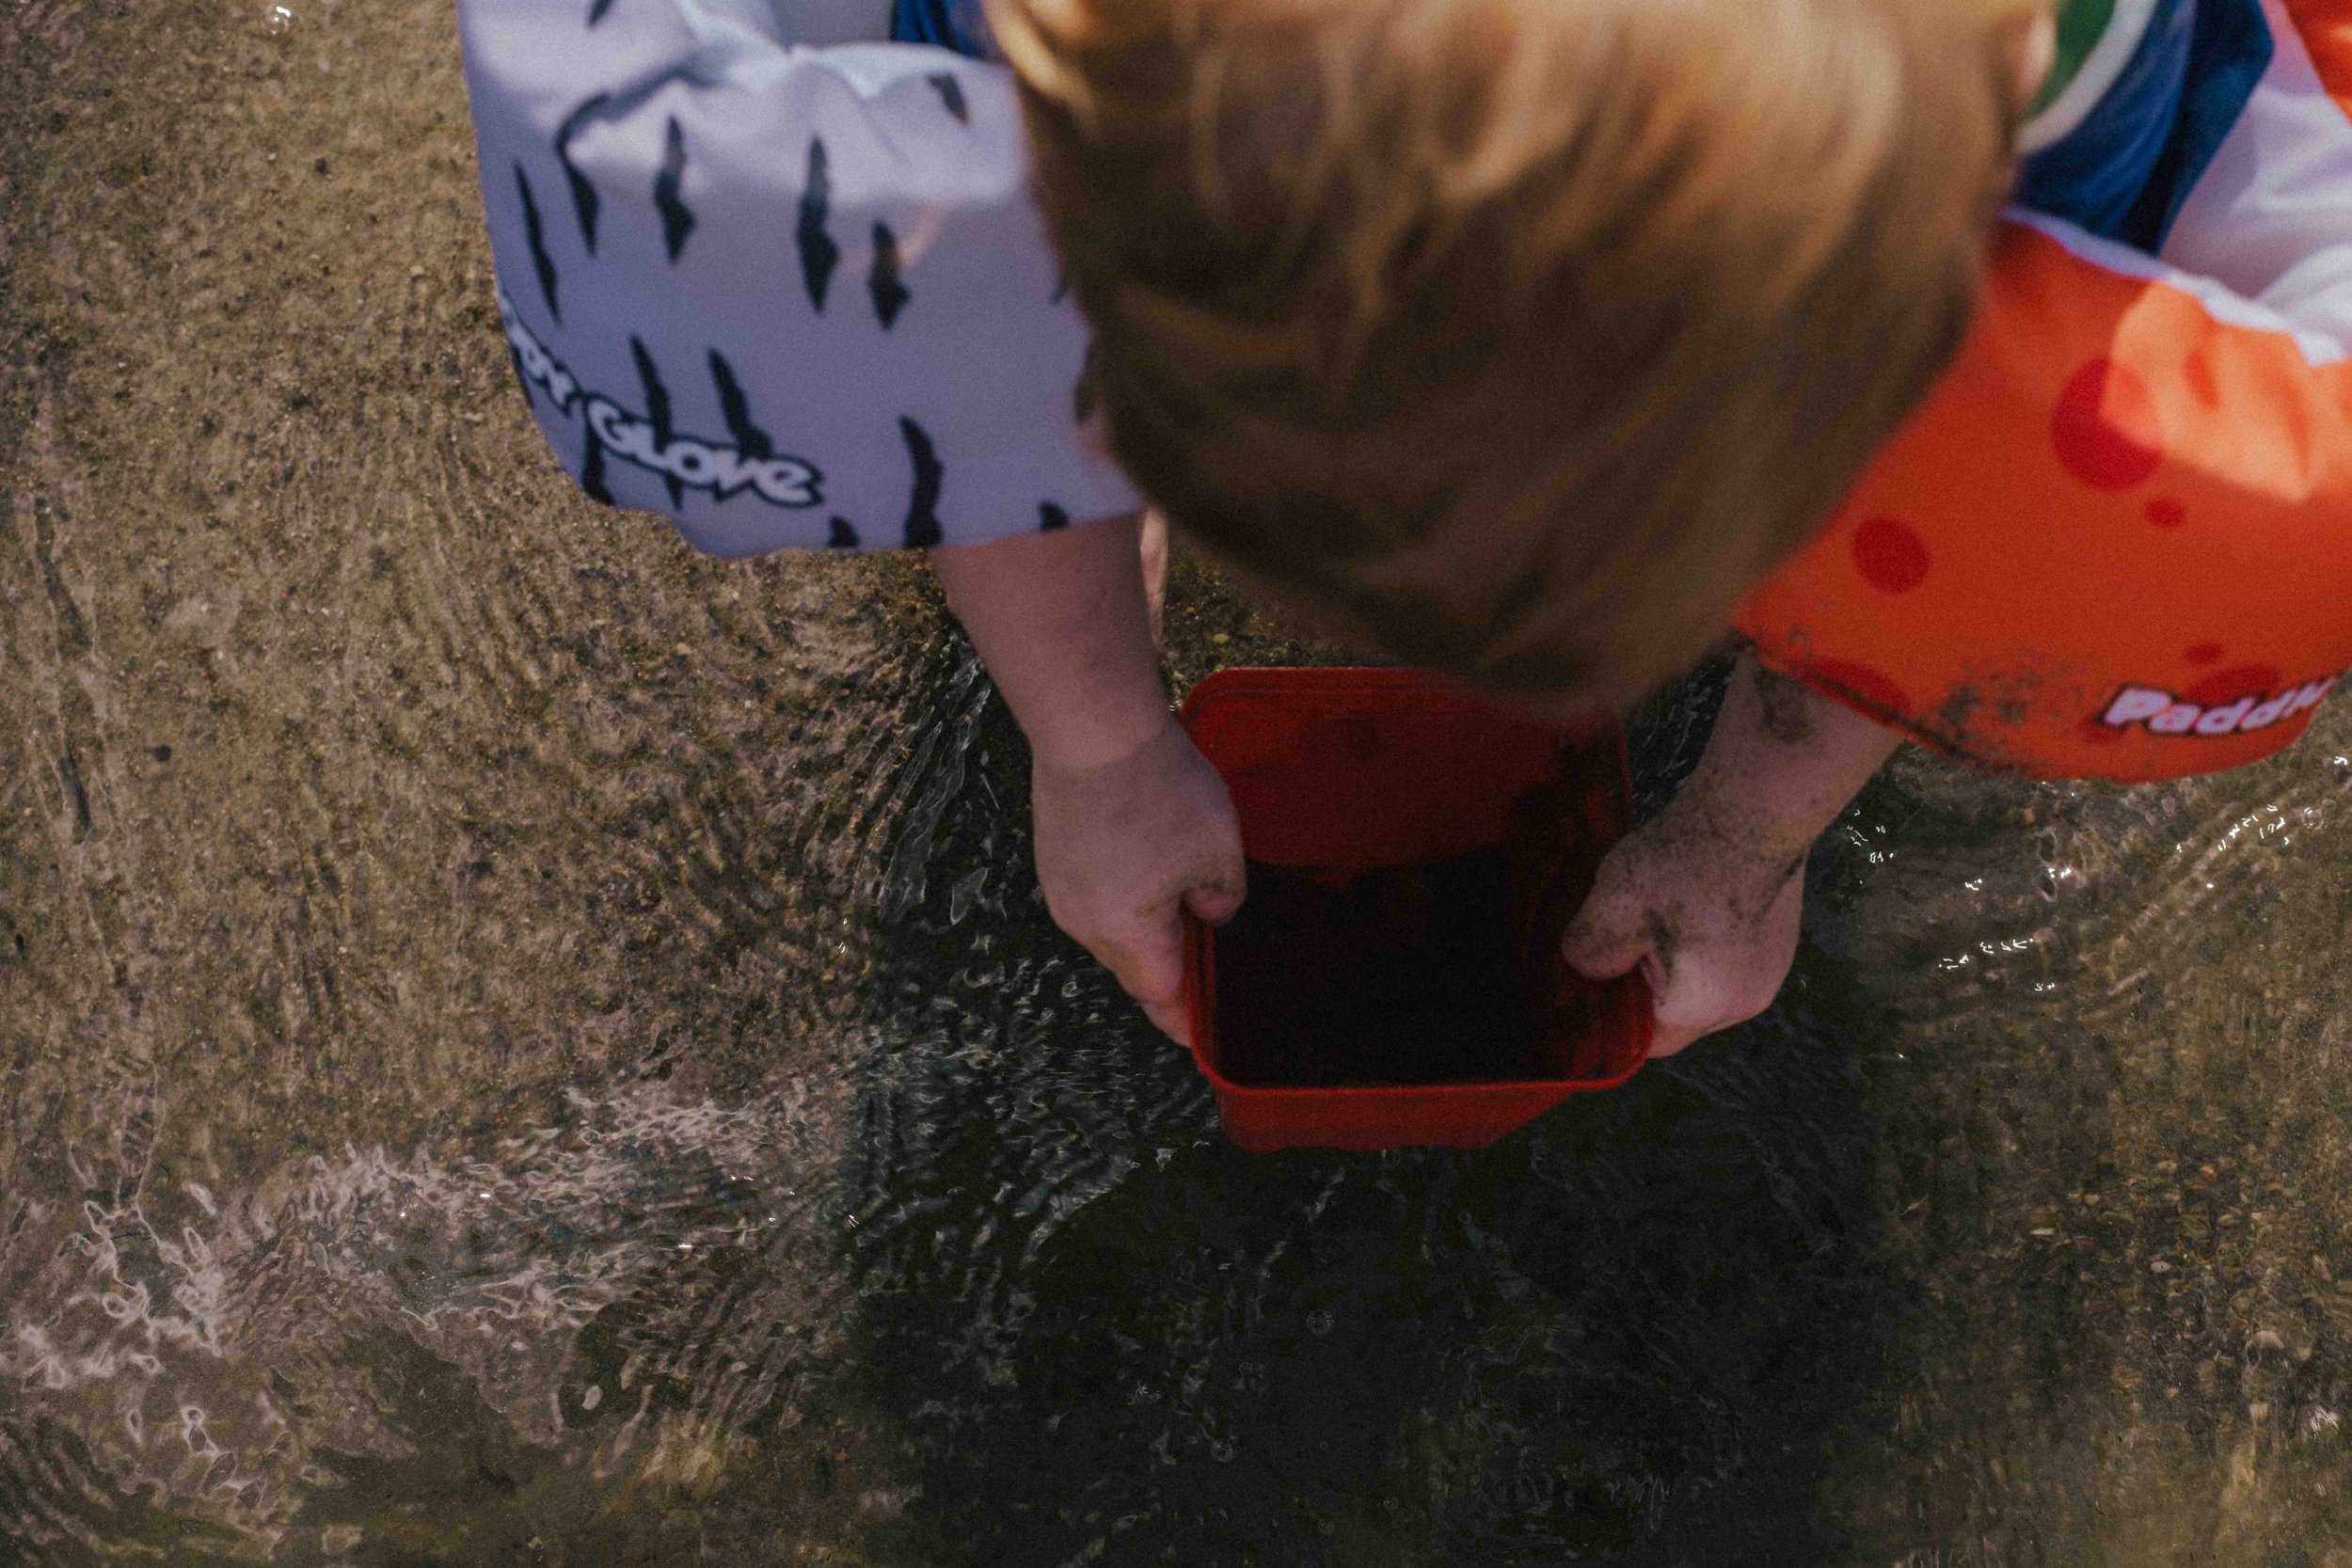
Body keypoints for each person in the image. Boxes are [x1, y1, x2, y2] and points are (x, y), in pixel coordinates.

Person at [458, 0, 2352, 1057]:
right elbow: (990, 328)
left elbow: (1968, 511)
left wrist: (1742, 832)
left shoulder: (2054, 65)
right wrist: (1097, 746)